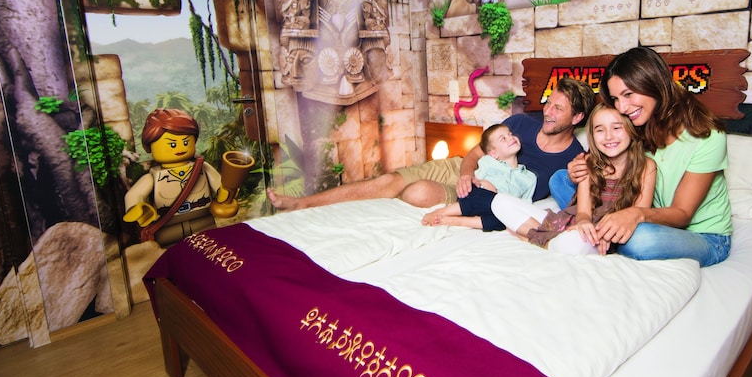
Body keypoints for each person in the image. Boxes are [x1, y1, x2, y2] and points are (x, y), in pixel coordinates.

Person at [267, 76, 596, 211]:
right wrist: (465, 173)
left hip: (484, 194)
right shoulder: (521, 124)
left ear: (578, 118)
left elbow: (578, 200)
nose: (548, 112)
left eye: (558, 109)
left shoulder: (574, 158)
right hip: (463, 169)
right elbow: (476, 152)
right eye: (549, 103)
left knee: (415, 194)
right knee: (390, 180)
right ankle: (303, 204)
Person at [551, 47, 733, 266]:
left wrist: (636, 215)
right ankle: (596, 226)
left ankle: (601, 230)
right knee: (560, 178)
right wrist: (580, 169)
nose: (622, 107)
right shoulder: (638, 123)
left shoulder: (708, 137)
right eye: (615, 98)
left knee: (639, 239)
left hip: (703, 236)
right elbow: (606, 161)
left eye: (628, 94)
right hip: (637, 210)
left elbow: (683, 214)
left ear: (653, 83)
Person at [491, 104, 655, 255]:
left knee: (573, 244)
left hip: (603, 233)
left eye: (617, 128)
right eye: (600, 130)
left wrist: (604, 232)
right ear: (592, 136)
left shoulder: (646, 166)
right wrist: (583, 222)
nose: (608, 136)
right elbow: (583, 211)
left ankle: (534, 239)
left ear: (631, 130)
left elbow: (637, 215)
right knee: (499, 202)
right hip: (573, 222)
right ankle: (548, 238)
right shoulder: (588, 162)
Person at [124, 108, 237, 246]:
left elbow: (220, 185)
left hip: (203, 221)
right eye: (172, 144)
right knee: (172, 251)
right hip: (168, 226)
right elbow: (133, 195)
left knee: (211, 247)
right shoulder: (152, 177)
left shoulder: (202, 167)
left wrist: (225, 194)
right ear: (151, 146)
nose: (180, 148)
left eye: (185, 142)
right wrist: (139, 209)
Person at [421, 123, 536, 230]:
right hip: (477, 198)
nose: (511, 138)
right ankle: (441, 212)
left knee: (507, 220)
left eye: (510, 134)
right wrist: (483, 184)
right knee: (480, 195)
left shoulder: (529, 178)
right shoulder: (488, 162)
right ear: (493, 154)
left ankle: (457, 221)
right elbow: (475, 182)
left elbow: (524, 205)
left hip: (497, 208)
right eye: (503, 138)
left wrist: (502, 200)